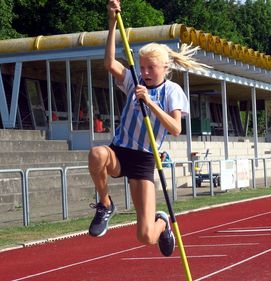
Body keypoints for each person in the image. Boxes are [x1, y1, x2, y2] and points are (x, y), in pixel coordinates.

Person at [87, 0, 209, 257]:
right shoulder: (134, 79)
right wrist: (111, 24)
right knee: (97, 153)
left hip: (144, 159)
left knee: (145, 236)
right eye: (142, 67)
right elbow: (110, 63)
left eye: (150, 68)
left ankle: (162, 221)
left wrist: (150, 103)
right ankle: (106, 205)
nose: (145, 72)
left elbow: (175, 128)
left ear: (164, 67)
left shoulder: (172, 92)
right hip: (120, 151)